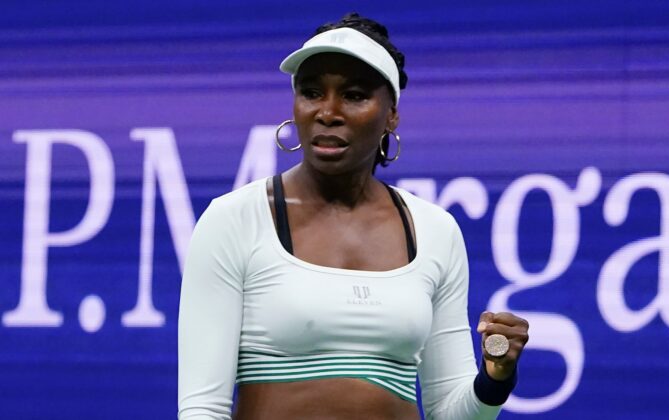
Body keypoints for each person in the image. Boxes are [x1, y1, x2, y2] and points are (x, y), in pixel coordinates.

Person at [178, 12, 529, 420]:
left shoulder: (436, 230)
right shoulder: (233, 219)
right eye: (311, 92)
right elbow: (202, 408)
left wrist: (495, 378)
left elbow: (450, 413)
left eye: (355, 95)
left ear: (392, 113)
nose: (328, 112)